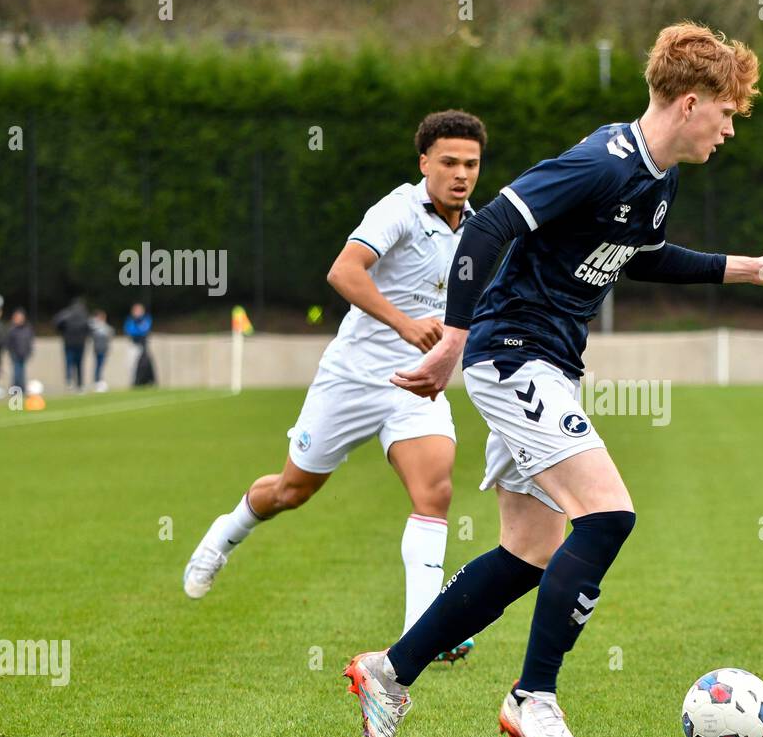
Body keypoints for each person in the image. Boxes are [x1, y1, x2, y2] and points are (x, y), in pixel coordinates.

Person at [342, 23, 763, 737]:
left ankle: (388, 673)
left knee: (527, 551)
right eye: (727, 113)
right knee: (607, 515)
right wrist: (456, 339)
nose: (731, 129)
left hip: (548, 363)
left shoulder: (657, 178)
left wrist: (754, 267)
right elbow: (489, 228)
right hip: (512, 354)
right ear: (691, 103)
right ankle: (532, 695)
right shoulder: (601, 161)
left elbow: (647, 257)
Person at [184, 111, 488, 664]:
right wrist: (405, 324)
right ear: (425, 163)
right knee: (291, 492)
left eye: (470, 163)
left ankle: (423, 629)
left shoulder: (480, 226)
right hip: (352, 377)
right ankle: (223, 536)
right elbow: (344, 272)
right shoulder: (398, 207)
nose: (461, 173)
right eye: (448, 162)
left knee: (436, 491)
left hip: (416, 383)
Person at [53, 297, 90, 392]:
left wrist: (62, 333)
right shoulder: (84, 315)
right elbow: (89, 329)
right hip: (80, 343)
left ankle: (69, 380)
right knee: (79, 364)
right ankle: (80, 384)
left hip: (68, 342)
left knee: (69, 362)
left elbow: (57, 323)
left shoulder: (66, 314)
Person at [124, 303, 154, 386]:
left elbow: (145, 330)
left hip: (143, 345)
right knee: (131, 364)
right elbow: (130, 331)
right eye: (136, 310)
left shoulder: (146, 319)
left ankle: (146, 382)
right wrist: (138, 330)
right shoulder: (130, 320)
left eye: (139, 310)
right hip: (134, 345)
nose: (137, 312)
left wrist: (139, 330)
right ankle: (133, 382)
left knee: (146, 364)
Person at [5, 309, 34, 393]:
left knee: (22, 372)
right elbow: (8, 343)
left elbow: (29, 341)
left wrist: (29, 351)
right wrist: (11, 352)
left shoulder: (27, 328)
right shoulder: (11, 330)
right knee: (17, 373)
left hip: (24, 354)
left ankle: (21, 388)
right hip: (15, 354)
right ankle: (16, 389)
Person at [89, 309, 114, 393]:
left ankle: (99, 382)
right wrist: (95, 321)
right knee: (98, 366)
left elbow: (111, 332)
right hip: (98, 349)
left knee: (100, 366)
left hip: (104, 349)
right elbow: (90, 326)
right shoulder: (95, 326)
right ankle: (97, 382)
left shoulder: (105, 327)